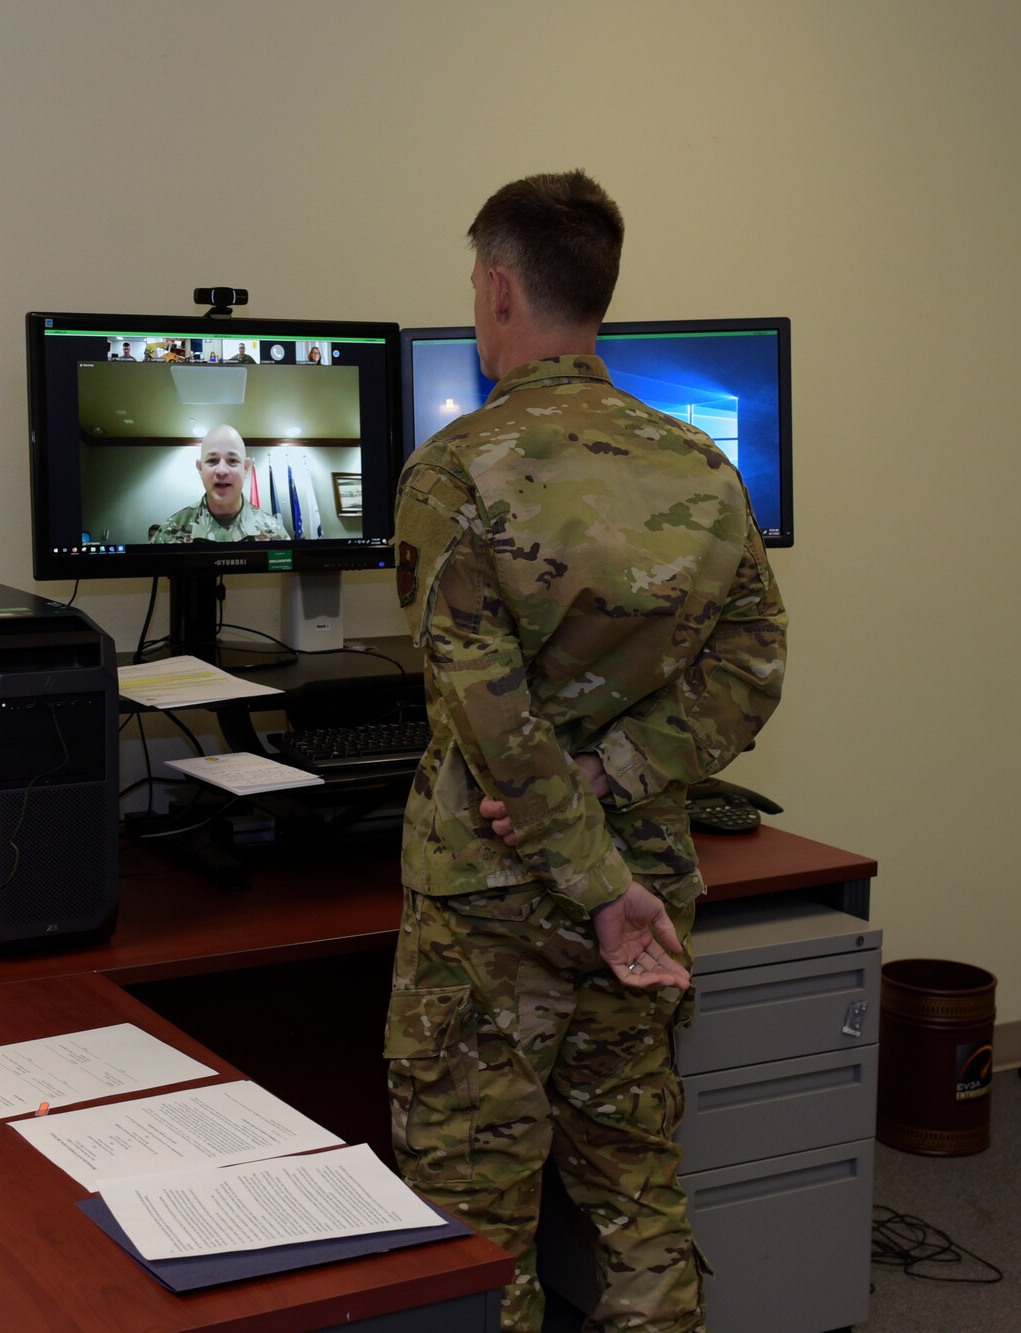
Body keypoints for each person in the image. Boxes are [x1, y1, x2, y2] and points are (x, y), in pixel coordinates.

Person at [387, 170, 787, 1333]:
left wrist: (583, 860)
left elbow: (484, 713)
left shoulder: (454, 471)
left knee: (472, 1228)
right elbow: (750, 670)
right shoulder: (702, 469)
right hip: (645, 888)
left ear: (500, 290)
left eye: (473, 283)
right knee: (636, 1193)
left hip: (490, 910)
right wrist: (616, 796)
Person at [152, 425, 290, 542]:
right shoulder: (168, 534)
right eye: (212, 461)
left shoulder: (274, 532)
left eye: (232, 461)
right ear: (200, 469)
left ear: (246, 468)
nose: (222, 471)